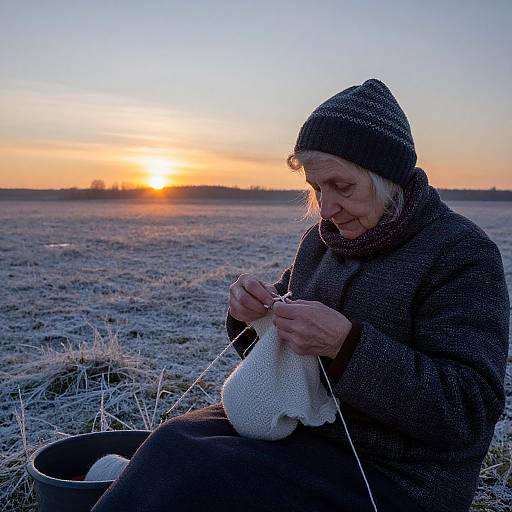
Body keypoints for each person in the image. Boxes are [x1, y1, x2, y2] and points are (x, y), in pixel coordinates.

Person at [91, 79, 509, 512]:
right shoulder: (321, 243)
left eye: (342, 186)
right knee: (173, 442)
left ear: (387, 178)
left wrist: (346, 346)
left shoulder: (460, 254)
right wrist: (251, 313)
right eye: (316, 188)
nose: (326, 207)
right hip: (304, 429)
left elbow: (468, 410)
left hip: (395, 475)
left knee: (204, 472)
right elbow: (281, 355)